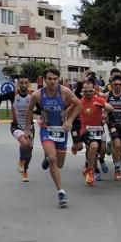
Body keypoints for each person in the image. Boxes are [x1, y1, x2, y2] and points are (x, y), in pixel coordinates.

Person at [26, 67, 80, 206]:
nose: (52, 81)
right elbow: (30, 110)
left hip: (62, 130)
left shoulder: (65, 92)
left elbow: (78, 104)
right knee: (53, 158)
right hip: (47, 129)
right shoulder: (37, 95)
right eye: (49, 79)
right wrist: (27, 129)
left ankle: (47, 158)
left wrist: (70, 121)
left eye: (55, 79)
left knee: (59, 164)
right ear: (44, 80)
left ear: (58, 79)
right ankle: (60, 192)